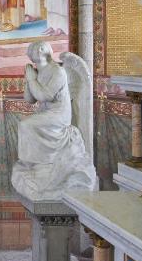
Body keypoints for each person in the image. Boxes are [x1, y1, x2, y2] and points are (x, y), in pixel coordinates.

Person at [10, 41, 96, 201]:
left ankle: (42, 165)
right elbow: (30, 100)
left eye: (39, 48)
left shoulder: (58, 71)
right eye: (35, 49)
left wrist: (32, 80)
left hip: (59, 114)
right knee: (26, 125)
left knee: (26, 125)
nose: (37, 50)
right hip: (46, 112)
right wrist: (29, 80)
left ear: (44, 51)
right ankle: (36, 164)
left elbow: (45, 96)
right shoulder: (38, 71)